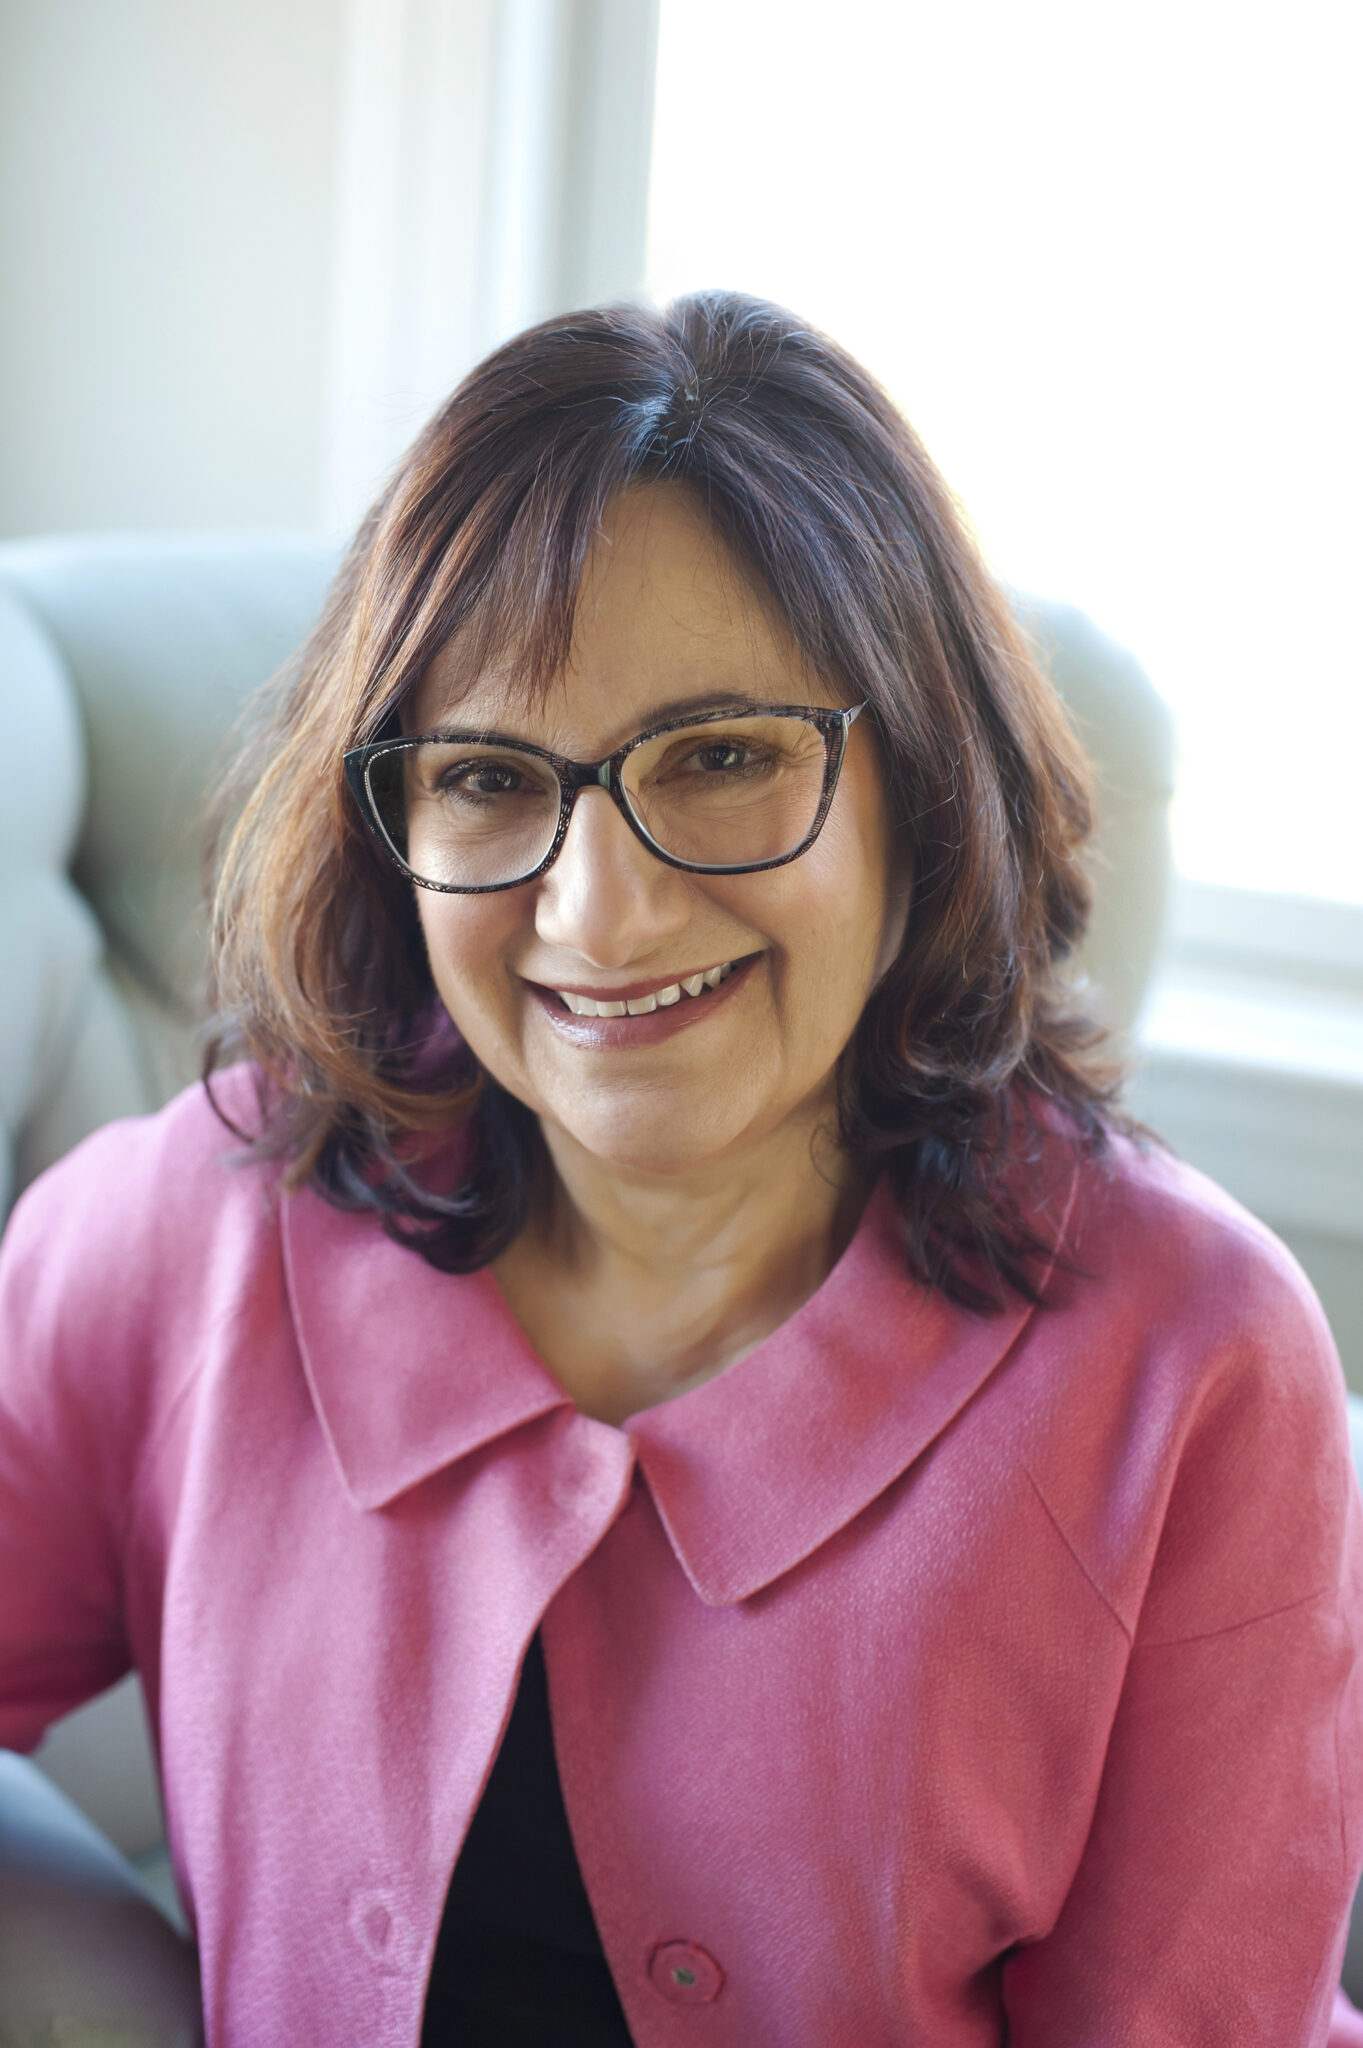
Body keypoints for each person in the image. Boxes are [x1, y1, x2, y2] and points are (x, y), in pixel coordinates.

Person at [1, 291, 1361, 2047]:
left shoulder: (1198, 1365)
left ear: (922, 784)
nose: (600, 911)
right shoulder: (177, 1233)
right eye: (491, 778)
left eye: (722, 758)